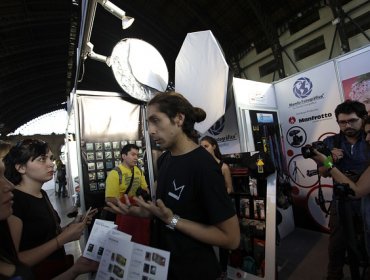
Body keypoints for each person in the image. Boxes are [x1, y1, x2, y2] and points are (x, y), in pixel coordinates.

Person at [107, 91, 240, 279]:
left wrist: (173, 220)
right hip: (163, 268)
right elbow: (163, 209)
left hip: (194, 271)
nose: (151, 130)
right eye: (148, 124)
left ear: (178, 119)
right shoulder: (164, 160)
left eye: (156, 121)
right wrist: (141, 212)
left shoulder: (203, 166)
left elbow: (231, 238)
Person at [0, 141, 99, 280]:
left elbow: (45, 236)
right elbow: (14, 260)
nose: (51, 163)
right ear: (21, 167)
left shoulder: (42, 194)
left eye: (50, 158)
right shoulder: (14, 202)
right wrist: (62, 239)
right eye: (42, 159)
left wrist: (71, 226)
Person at [316, 100, 369, 280]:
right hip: (342, 201)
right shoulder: (331, 142)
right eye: (342, 122)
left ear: (363, 118)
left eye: (352, 121)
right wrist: (331, 159)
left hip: (366, 200)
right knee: (337, 244)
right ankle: (334, 275)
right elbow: (323, 172)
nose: (347, 125)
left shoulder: (369, 138)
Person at [200, 135, 234, 278]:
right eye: (201, 147)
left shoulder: (223, 166)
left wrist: (216, 198)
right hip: (205, 208)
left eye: (206, 146)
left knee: (223, 240)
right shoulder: (201, 166)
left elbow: (229, 188)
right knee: (205, 237)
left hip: (221, 207)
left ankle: (223, 270)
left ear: (214, 146)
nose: (204, 149)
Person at [105, 143, 150, 245]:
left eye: (137, 155)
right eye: (133, 154)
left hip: (139, 215)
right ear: (124, 156)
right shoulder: (115, 173)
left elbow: (145, 189)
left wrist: (144, 193)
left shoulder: (138, 171)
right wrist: (125, 201)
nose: (136, 158)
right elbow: (108, 199)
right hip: (123, 216)